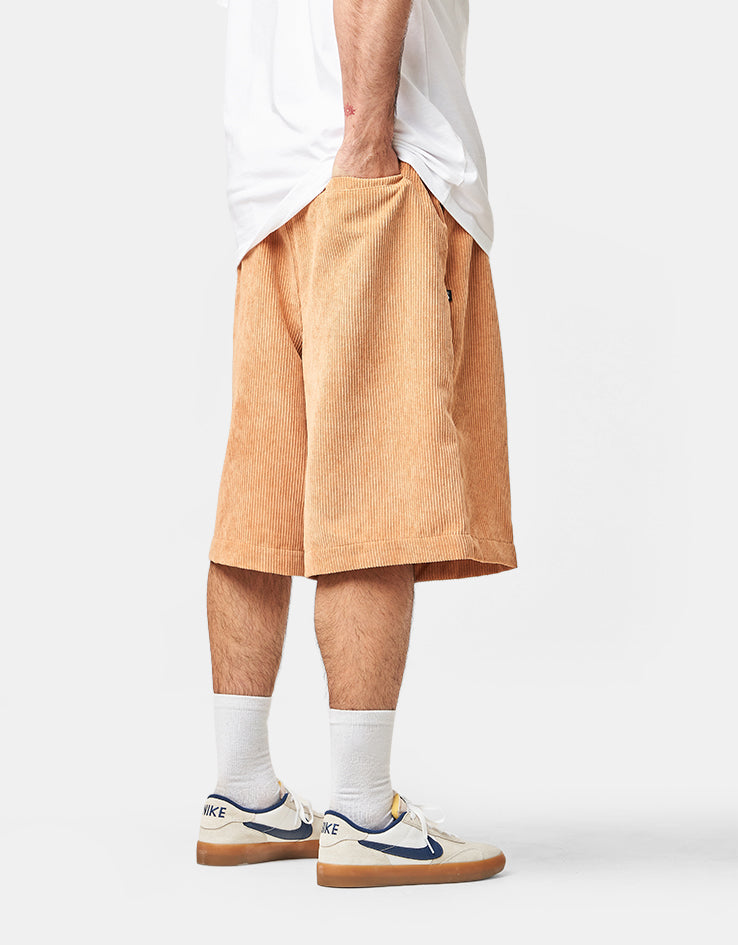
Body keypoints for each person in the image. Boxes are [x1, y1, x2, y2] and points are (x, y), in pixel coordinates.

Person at [197, 0, 517, 888]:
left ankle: (245, 792)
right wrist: (369, 136)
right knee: (373, 488)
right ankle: (364, 811)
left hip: (270, 191)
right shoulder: (370, 154)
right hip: (370, 173)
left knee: (264, 496)